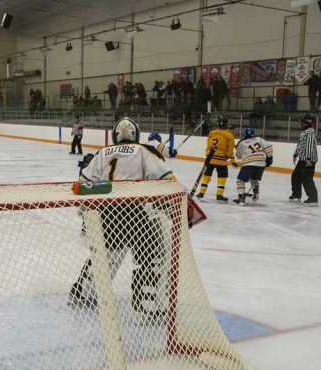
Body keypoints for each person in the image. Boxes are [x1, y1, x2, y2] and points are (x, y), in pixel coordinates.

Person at [68, 117, 174, 317]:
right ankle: (146, 300)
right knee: (150, 255)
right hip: (135, 211)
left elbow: (85, 184)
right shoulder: (143, 150)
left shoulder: (102, 152)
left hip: (106, 212)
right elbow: (165, 179)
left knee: (107, 257)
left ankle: (83, 291)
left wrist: (84, 214)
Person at [196, 115, 235, 202]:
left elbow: (208, 145)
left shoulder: (212, 133)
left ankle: (201, 193)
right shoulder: (229, 135)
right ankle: (219, 195)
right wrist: (226, 157)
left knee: (206, 176)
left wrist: (208, 155)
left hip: (210, 158)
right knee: (222, 177)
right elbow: (230, 151)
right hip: (221, 159)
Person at [231, 127, 273, 205]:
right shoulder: (259, 139)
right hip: (261, 163)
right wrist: (269, 158)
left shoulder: (242, 143)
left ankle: (241, 197)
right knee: (254, 179)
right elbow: (268, 147)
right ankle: (256, 191)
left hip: (249, 163)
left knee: (240, 181)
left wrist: (239, 147)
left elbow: (238, 156)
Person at [290, 114, 319, 206]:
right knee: (295, 176)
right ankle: (296, 194)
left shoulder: (310, 133)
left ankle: (313, 199)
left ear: (307, 123)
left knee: (307, 179)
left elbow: (309, 146)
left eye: (303, 122)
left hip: (308, 160)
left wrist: (308, 159)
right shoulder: (304, 133)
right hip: (303, 159)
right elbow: (301, 144)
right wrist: (296, 154)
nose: (301, 124)